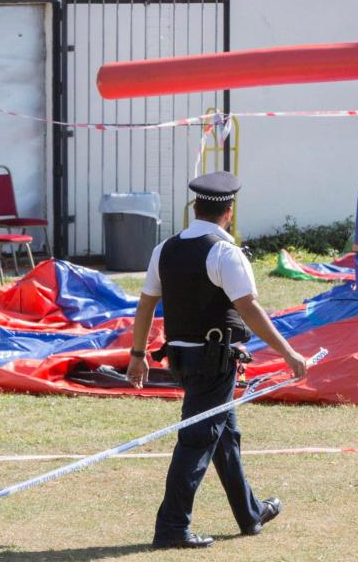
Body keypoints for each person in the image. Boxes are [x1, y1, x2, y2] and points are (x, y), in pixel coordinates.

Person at [127, 171, 308, 549]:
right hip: (214, 362)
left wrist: (138, 354)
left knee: (225, 437)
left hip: (183, 360)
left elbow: (145, 305)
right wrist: (288, 353)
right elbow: (250, 309)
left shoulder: (166, 249)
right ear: (229, 212)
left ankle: (250, 514)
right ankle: (172, 527)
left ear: (195, 208)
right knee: (197, 440)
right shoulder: (224, 253)